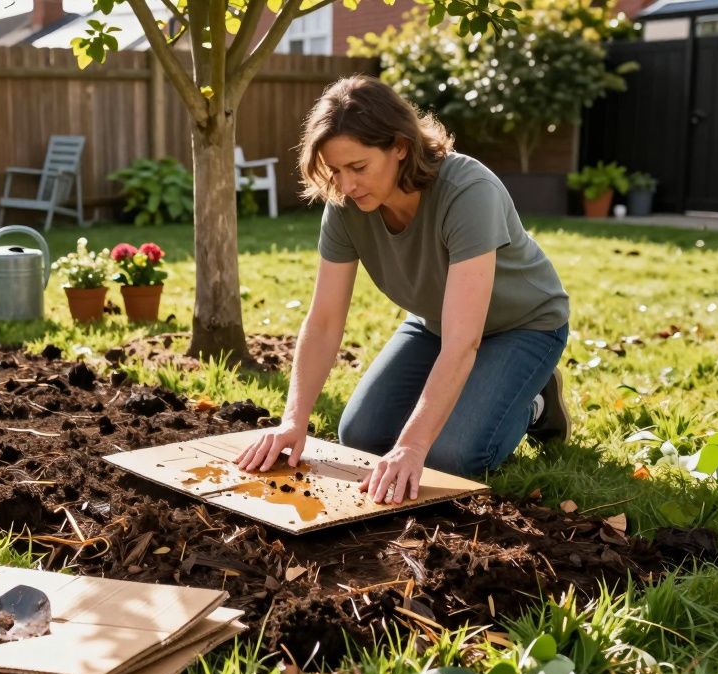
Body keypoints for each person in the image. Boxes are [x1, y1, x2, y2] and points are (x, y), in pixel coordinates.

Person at [235, 75, 570, 506]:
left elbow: (464, 341)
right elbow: (323, 321)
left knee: (451, 455)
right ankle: (484, 395)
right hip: (435, 324)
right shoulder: (346, 206)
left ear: (400, 147)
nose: (347, 184)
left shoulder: (467, 190)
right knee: (361, 434)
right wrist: (293, 421)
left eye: (358, 167)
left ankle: (535, 402)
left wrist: (412, 446)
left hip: (523, 326)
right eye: (336, 170)